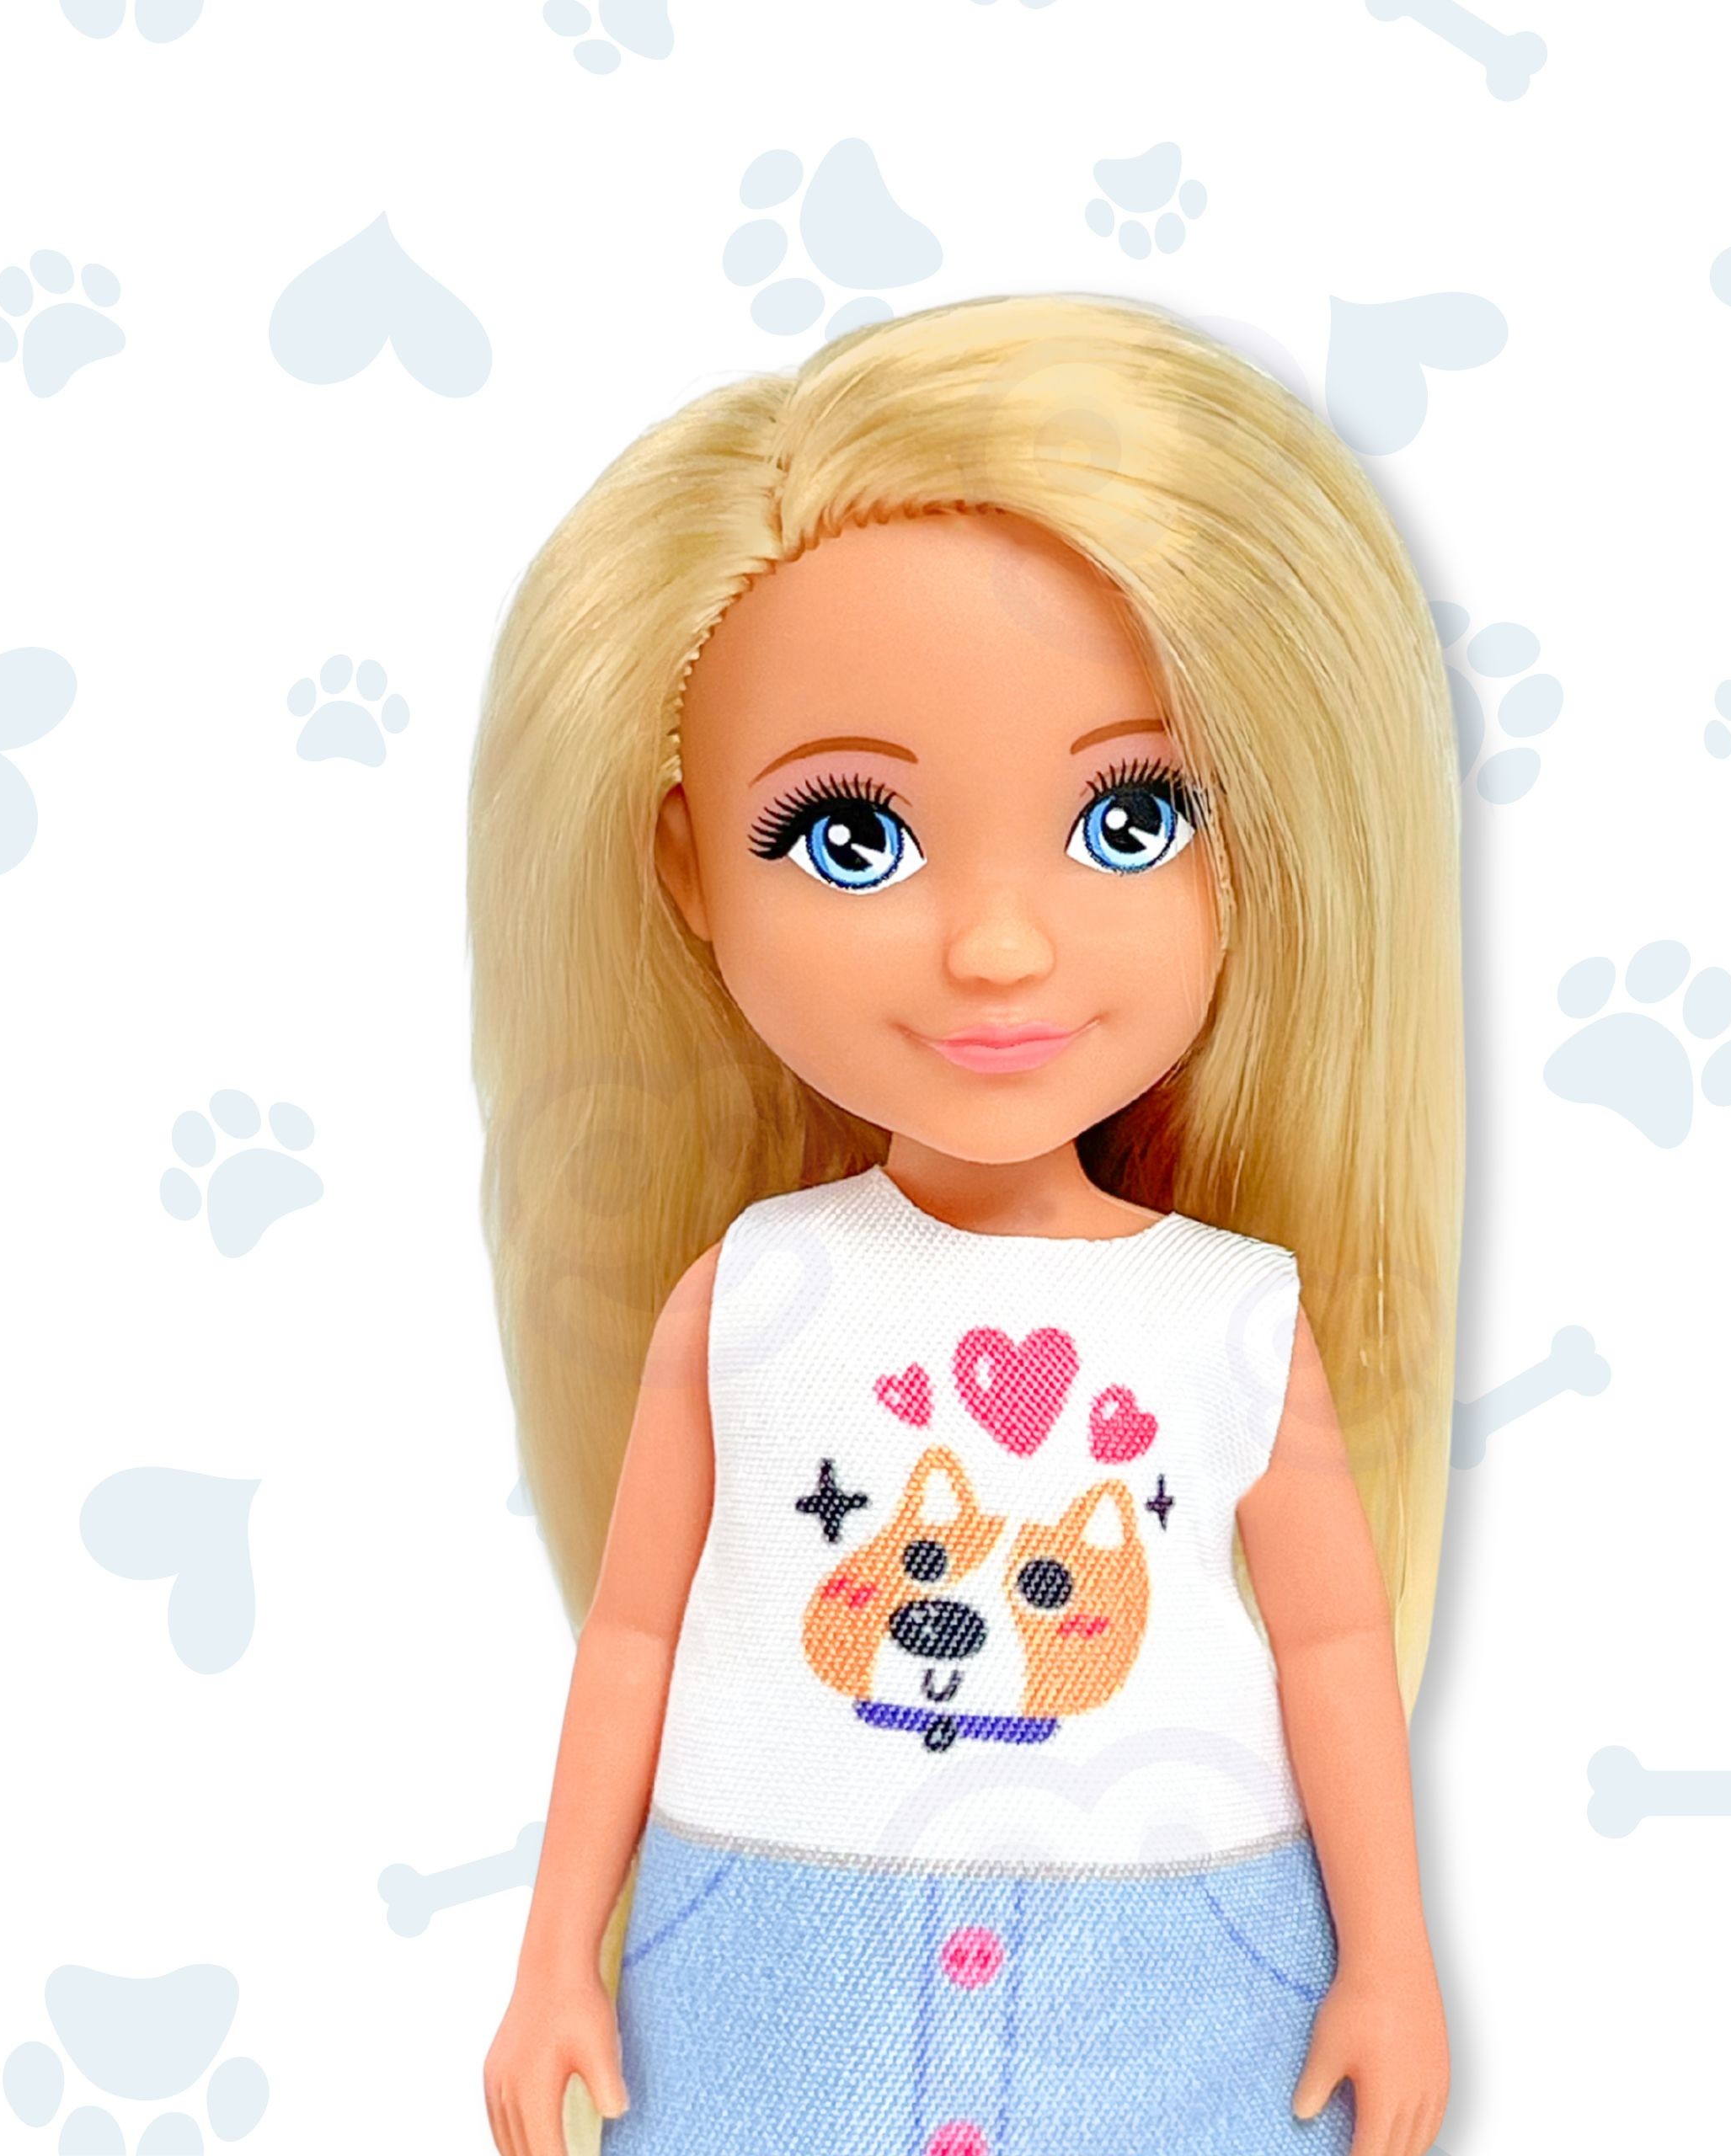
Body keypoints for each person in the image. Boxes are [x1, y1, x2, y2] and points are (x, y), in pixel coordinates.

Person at [473, 292, 1461, 2156]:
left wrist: (1392, 1962)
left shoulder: (1235, 1317)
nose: (998, 946)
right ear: (688, 868)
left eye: (1130, 817)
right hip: (777, 1972)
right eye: (850, 838)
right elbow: (634, 1634)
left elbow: (1331, 1645)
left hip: (1171, 1980)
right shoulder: (748, 1295)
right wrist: (552, 1961)